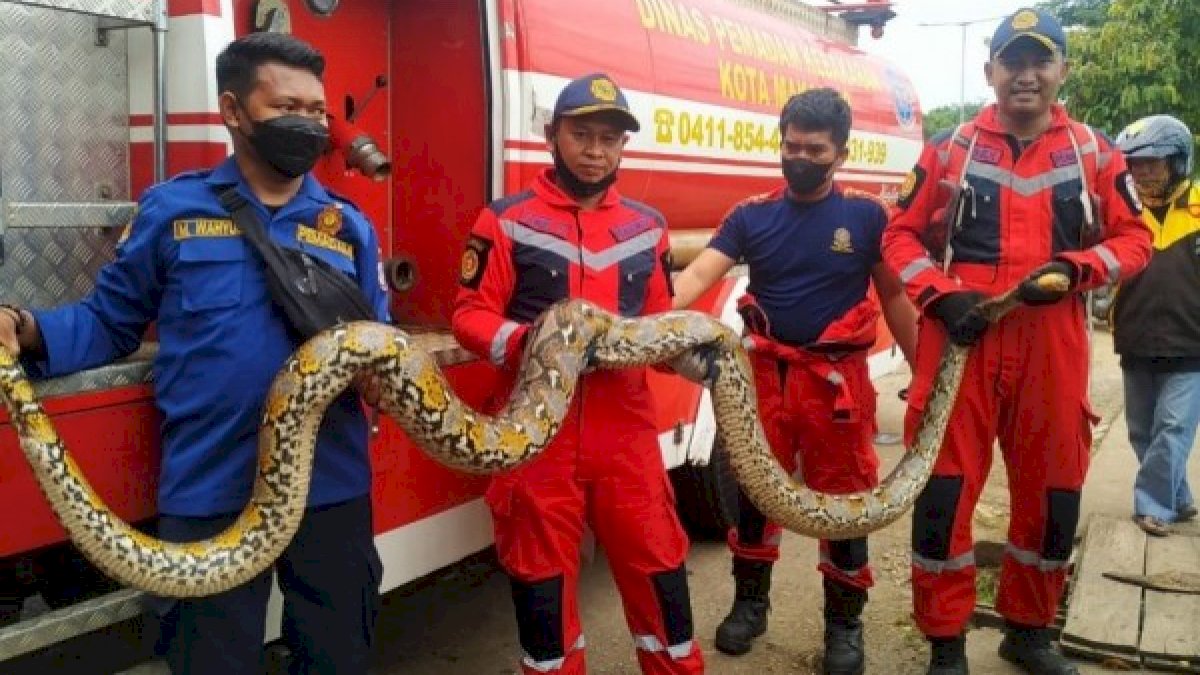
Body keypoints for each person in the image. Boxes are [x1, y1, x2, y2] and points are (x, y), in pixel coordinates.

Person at [0, 32, 390, 674]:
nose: (311, 123)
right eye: (289, 106)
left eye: (319, 111)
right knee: (209, 662)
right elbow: (107, 323)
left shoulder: (348, 226)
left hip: (332, 488)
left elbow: (380, 343)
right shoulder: (172, 210)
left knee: (339, 657)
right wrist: (22, 324)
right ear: (234, 111)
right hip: (210, 486)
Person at [881, 8, 1152, 675]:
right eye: (1012, 61)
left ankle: (1028, 630)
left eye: (1040, 61)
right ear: (990, 71)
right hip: (960, 340)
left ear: (1062, 69)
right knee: (943, 494)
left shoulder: (1095, 152)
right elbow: (897, 237)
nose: (1025, 75)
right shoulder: (949, 149)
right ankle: (945, 639)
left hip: (1051, 341)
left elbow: (1138, 240)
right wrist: (940, 295)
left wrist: (1079, 269)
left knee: (1055, 492)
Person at [450, 73, 705, 675]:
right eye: (582, 134)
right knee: (541, 591)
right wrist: (533, 345)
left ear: (623, 148)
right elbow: (468, 315)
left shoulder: (648, 226)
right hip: (538, 441)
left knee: (660, 571)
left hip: (627, 438)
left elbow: (658, 324)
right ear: (550, 136)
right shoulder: (506, 221)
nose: (595, 150)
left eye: (610, 139)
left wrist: (692, 353)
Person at [669, 87, 917, 674]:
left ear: (841, 152)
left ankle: (844, 628)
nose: (799, 156)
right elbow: (701, 273)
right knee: (755, 494)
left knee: (847, 502)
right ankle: (749, 605)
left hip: (836, 388)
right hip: (764, 381)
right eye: (791, 145)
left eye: (814, 148)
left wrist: (923, 371)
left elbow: (895, 295)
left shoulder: (866, 216)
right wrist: (643, 318)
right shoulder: (750, 215)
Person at [1112, 114, 1200, 537]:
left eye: (1153, 162)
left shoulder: (1199, 208)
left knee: (1172, 428)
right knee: (1142, 431)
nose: (1142, 172)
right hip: (1135, 339)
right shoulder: (1123, 216)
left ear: (1178, 162)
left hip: (1191, 343)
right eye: (1134, 165)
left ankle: (1152, 507)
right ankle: (1178, 497)